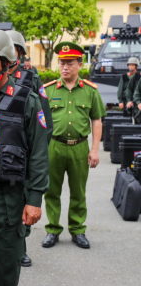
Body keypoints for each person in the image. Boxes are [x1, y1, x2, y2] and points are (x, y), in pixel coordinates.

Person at [0, 29, 49, 286]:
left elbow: (39, 152)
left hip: (10, 196)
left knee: (5, 268)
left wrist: (34, 199)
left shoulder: (27, 100)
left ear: (6, 62)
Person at [42, 41, 105, 250]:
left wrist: (95, 149)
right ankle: (52, 230)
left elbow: (96, 120)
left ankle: (78, 230)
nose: (65, 67)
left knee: (78, 190)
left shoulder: (90, 91)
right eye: (61, 63)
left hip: (79, 146)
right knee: (51, 190)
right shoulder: (47, 90)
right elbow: (39, 121)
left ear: (80, 64)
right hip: (54, 146)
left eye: (70, 63)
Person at [5, 29, 52, 267]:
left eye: (14, 48)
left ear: (20, 52)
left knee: (23, 204)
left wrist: (36, 152)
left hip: (23, 153)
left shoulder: (30, 77)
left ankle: (20, 246)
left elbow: (45, 121)